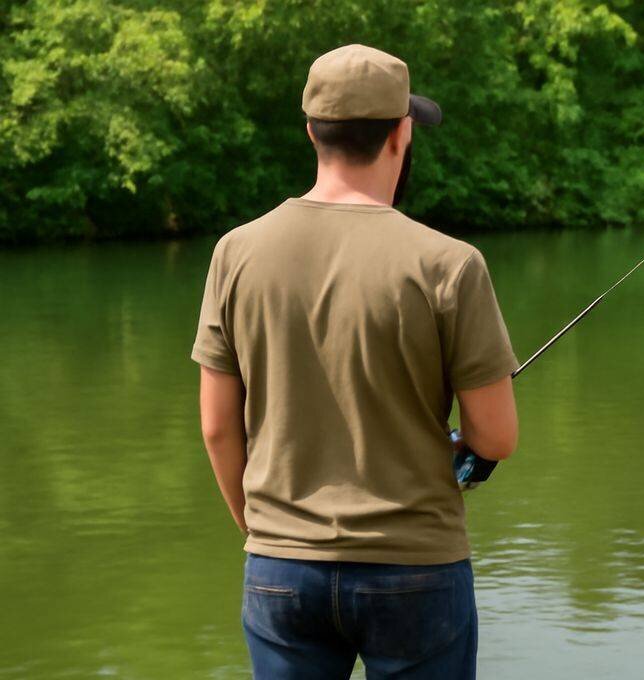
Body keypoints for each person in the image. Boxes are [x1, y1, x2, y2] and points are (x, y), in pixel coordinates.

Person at [191, 44, 518, 679]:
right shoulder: (449, 263)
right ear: (401, 135)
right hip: (418, 567)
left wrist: (262, 533)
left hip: (281, 567)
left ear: (312, 130)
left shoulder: (235, 253)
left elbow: (216, 427)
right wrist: (460, 446)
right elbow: (496, 434)